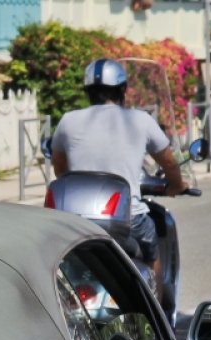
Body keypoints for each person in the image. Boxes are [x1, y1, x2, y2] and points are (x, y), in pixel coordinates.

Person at [50, 58, 188, 280]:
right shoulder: (139, 120)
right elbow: (170, 162)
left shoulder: (68, 121)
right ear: (123, 89)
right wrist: (177, 185)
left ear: (88, 92)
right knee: (152, 253)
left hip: (78, 220)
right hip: (129, 218)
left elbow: (60, 169)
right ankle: (157, 311)